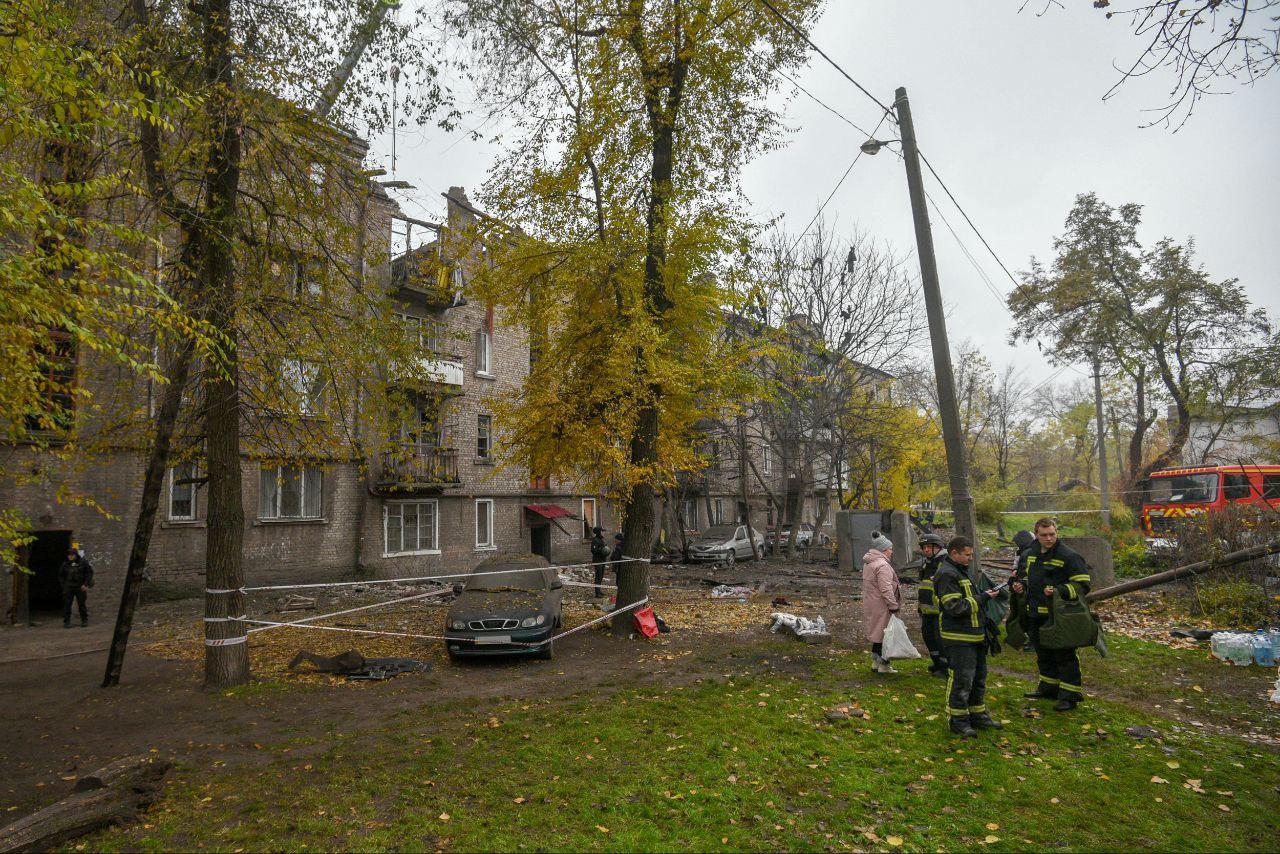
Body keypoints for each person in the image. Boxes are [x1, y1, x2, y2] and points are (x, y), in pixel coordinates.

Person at [1011, 518, 1092, 711]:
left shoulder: (1069, 556)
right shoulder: (1030, 555)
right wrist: (1021, 585)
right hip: (1035, 614)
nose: (1049, 538)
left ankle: (1070, 696)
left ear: (1057, 533)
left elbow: (1083, 585)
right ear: (1036, 535)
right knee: (1043, 653)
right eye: (1044, 535)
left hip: (1059, 616)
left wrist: (1059, 591)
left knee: (1064, 655)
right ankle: (1048, 688)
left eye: (1052, 534)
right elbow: (1024, 575)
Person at [934, 536, 1003, 737]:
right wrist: (983, 598)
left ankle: (977, 715)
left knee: (978, 677)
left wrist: (984, 595)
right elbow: (954, 607)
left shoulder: (960, 571)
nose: (970, 559)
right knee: (961, 679)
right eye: (967, 555)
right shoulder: (947, 574)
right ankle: (957, 720)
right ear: (954, 553)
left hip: (975, 635)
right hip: (959, 637)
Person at [861, 531, 901, 674]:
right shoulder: (882, 565)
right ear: (883, 549)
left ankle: (875, 663)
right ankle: (884, 665)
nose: (892, 551)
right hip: (882, 605)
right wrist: (893, 606)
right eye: (890, 549)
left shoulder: (869, 563)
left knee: (878, 634)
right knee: (886, 635)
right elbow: (886, 589)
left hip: (872, 603)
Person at [916, 532, 948, 678]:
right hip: (927, 610)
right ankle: (936, 663)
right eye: (924, 547)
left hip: (940, 610)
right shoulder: (926, 562)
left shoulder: (944, 562)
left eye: (929, 547)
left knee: (941, 639)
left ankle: (945, 667)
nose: (926, 550)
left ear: (938, 547)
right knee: (928, 636)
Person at [59, 546, 94, 628]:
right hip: (68, 587)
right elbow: (61, 575)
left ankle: (84, 621)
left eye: (72, 555)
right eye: (69, 555)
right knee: (67, 605)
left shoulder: (83, 562)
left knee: (81, 604)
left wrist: (85, 584)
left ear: (76, 555)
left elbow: (89, 573)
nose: (70, 556)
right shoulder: (65, 564)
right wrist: (64, 586)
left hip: (80, 587)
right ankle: (66, 622)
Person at [590, 527, 611, 597]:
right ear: (599, 532)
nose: (603, 533)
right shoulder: (595, 540)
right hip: (598, 561)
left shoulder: (602, 539)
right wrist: (602, 548)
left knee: (601, 576)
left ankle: (599, 590)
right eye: (602, 531)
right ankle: (597, 593)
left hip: (602, 560)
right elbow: (593, 550)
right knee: (598, 576)